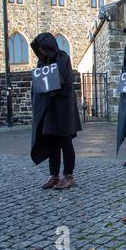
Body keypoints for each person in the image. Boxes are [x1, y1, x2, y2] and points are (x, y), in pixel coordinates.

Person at [30, 33, 82, 190]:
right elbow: (39, 84)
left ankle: (68, 176)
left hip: (62, 108)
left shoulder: (63, 58)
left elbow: (61, 82)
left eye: (43, 49)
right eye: (39, 49)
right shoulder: (41, 62)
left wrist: (48, 92)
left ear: (49, 47)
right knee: (52, 142)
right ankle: (54, 175)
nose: (42, 52)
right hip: (49, 109)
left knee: (65, 142)